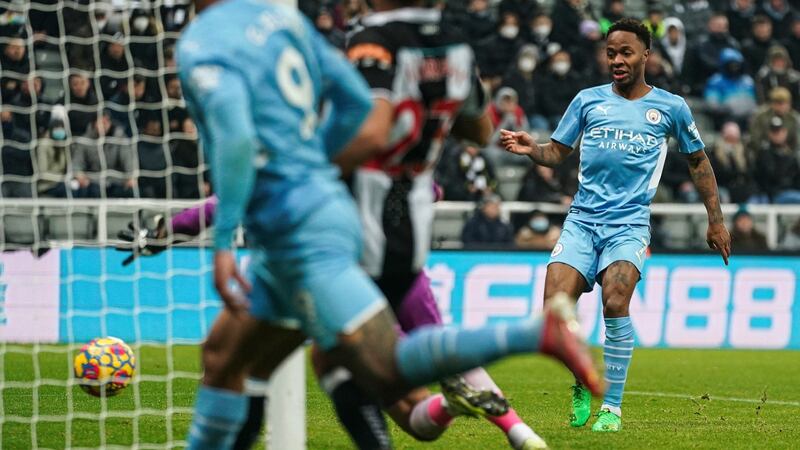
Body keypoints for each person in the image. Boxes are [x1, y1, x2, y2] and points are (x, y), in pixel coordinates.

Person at [177, 2, 601, 450]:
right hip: (410, 222)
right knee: (240, 358)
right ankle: (502, 421)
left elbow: (371, 127)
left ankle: (531, 335)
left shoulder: (374, 41)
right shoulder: (456, 46)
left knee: (377, 366)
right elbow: (479, 130)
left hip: (348, 222)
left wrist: (311, 168)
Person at [501, 18, 731, 433]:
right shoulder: (587, 100)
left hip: (629, 225)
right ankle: (581, 381)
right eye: (611, 53)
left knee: (616, 300)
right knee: (554, 311)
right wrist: (529, 148)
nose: (617, 60)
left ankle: (612, 406)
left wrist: (715, 221)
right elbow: (556, 152)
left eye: (626, 52)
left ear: (646, 55)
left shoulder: (671, 107)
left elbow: (698, 161)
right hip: (582, 221)